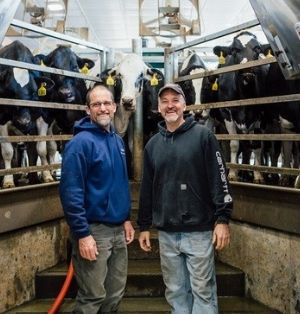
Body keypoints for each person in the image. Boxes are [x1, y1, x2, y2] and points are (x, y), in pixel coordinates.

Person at [137, 83, 233, 314]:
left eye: (175, 100)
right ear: (158, 107)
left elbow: (219, 178)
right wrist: (143, 225)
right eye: (165, 101)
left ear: (185, 104)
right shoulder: (152, 145)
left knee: (203, 290)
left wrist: (222, 219)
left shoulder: (203, 136)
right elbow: (147, 188)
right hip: (167, 232)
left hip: (198, 230)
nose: (170, 105)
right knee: (175, 291)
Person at [59, 84, 135, 314]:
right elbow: (71, 192)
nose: (102, 108)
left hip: (117, 232)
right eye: (96, 104)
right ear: (87, 109)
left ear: (114, 106)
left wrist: (126, 217)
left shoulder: (117, 141)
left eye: (106, 103)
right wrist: (82, 234)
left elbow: (120, 183)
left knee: (114, 295)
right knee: (92, 297)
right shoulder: (80, 144)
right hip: (94, 232)